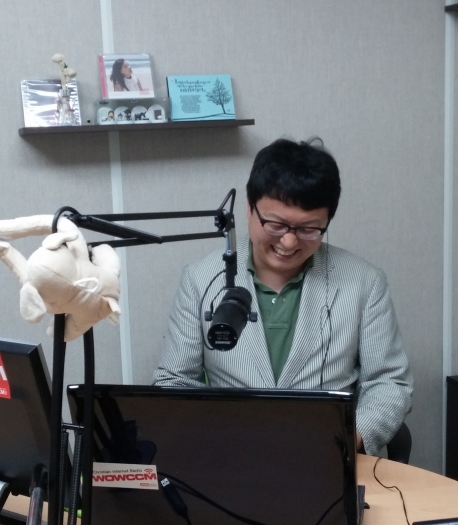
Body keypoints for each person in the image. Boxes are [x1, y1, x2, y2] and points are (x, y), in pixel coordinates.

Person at [153, 137, 413, 457]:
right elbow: (174, 381)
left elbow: (389, 383)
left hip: (326, 457)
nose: (289, 243)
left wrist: (351, 438)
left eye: (308, 229)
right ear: (249, 208)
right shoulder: (200, 280)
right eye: (275, 225)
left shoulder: (364, 283)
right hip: (230, 456)